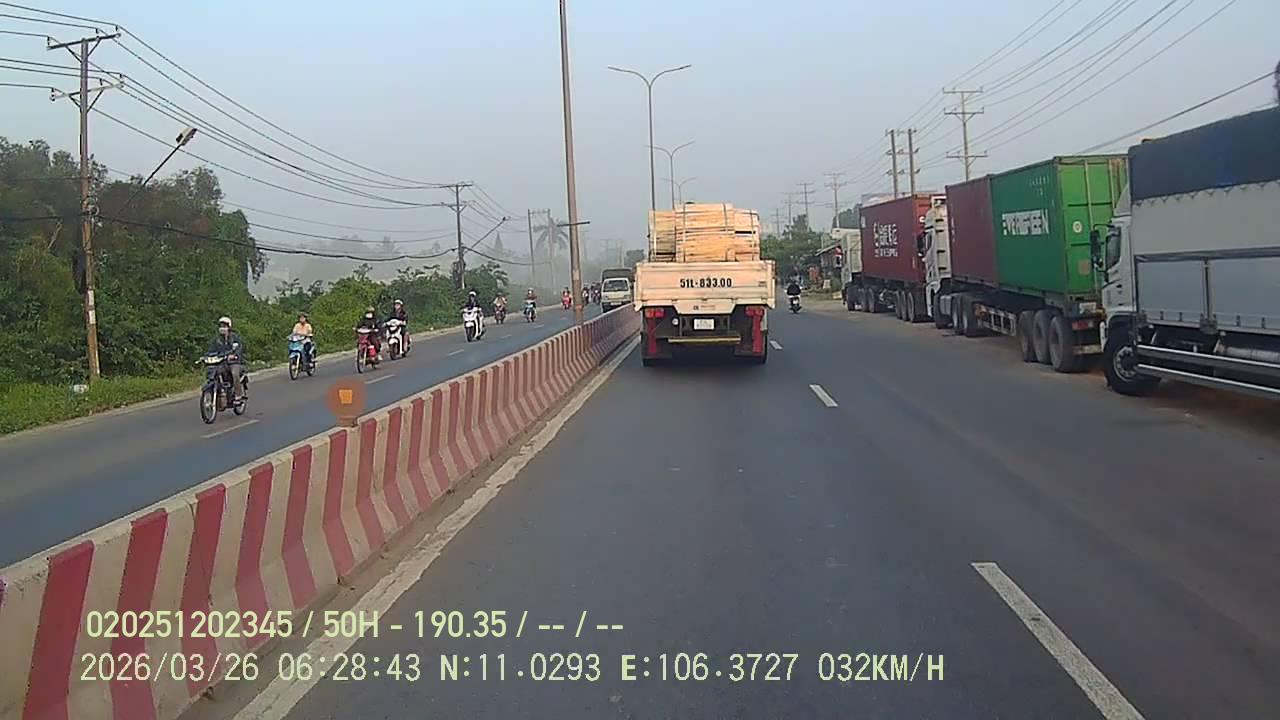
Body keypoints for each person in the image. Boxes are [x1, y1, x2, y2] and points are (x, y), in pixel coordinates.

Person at [209, 316, 247, 402]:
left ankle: (238, 395)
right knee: (214, 372)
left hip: (235, 362)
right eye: (221, 326)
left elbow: (238, 349)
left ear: (229, 327)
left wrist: (234, 355)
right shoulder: (217, 339)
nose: (222, 328)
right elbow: (211, 350)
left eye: (224, 326)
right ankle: (219, 391)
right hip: (222, 363)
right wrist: (207, 357)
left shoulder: (235, 338)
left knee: (234, 373)